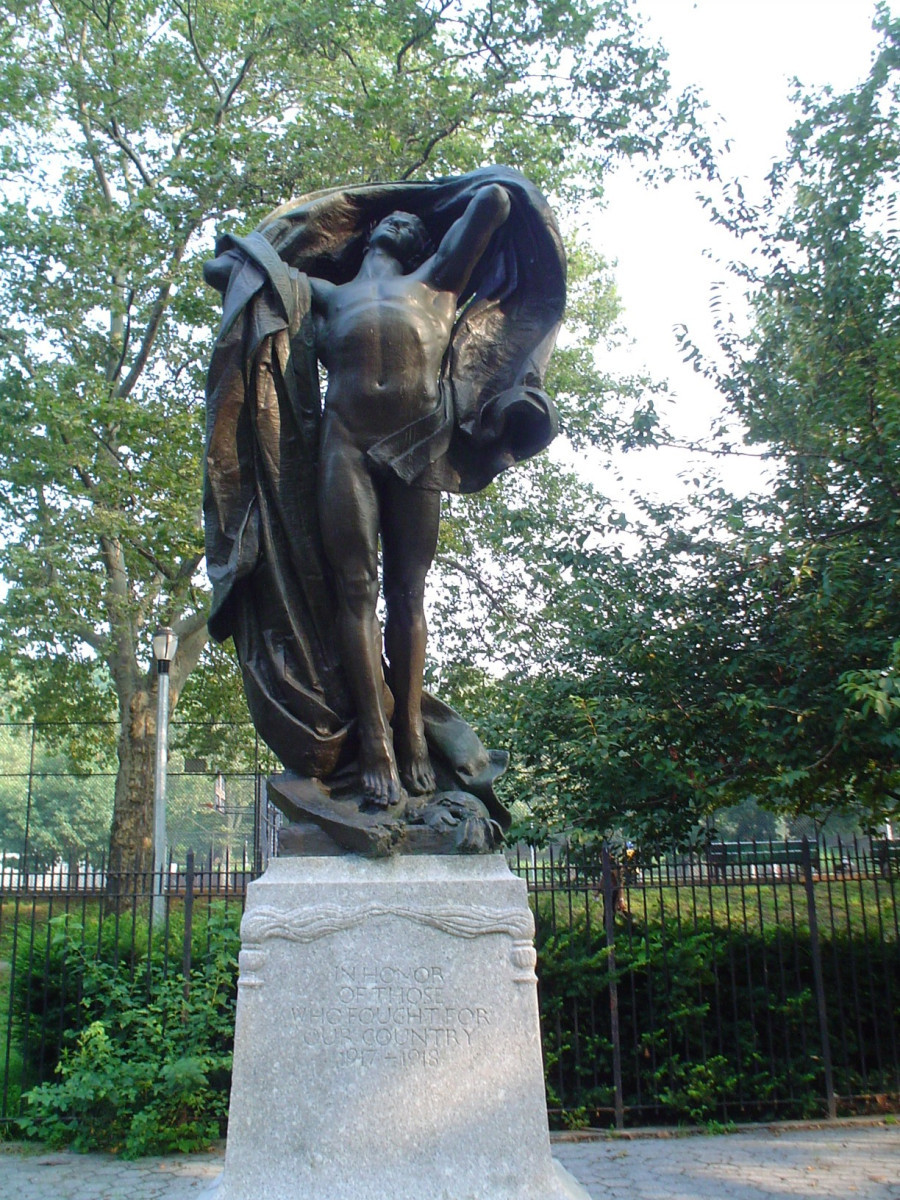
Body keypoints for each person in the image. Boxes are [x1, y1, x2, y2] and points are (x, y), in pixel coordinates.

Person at [308, 185, 511, 808]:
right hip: (344, 440)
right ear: (367, 238)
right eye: (387, 217)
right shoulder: (325, 295)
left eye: (410, 222)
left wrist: (421, 198)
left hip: (418, 442)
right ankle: (374, 739)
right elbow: (233, 271)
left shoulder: (438, 279)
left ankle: (411, 734)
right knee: (354, 589)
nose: (398, 221)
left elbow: (495, 202)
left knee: (408, 593)